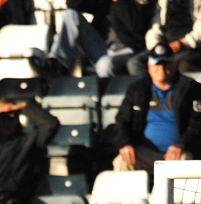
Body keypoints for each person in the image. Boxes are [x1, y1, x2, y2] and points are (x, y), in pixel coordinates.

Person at [113, 43, 201, 173]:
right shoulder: (137, 90)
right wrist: (125, 144)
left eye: (166, 63)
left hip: (179, 154)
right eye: (157, 63)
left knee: (185, 162)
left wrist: (181, 145)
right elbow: (122, 121)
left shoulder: (190, 88)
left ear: (174, 64)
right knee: (122, 161)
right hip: (146, 153)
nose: (161, 68)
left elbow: (197, 123)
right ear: (149, 66)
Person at [29, 0, 156, 81]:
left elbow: (134, 24)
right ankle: (57, 64)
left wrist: (119, 2)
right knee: (70, 14)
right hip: (102, 46)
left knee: (106, 64)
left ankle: (102, 102)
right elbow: (72, 5)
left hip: (127, 49)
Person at [128, 0, 201, 77]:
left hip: (190, 47)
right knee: (135, 63)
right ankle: (148, 87)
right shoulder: (163, 1)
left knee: (183, 66)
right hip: (165, 45)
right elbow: (155, 25)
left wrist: (184, 43)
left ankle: (180, 88)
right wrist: (156, 43)